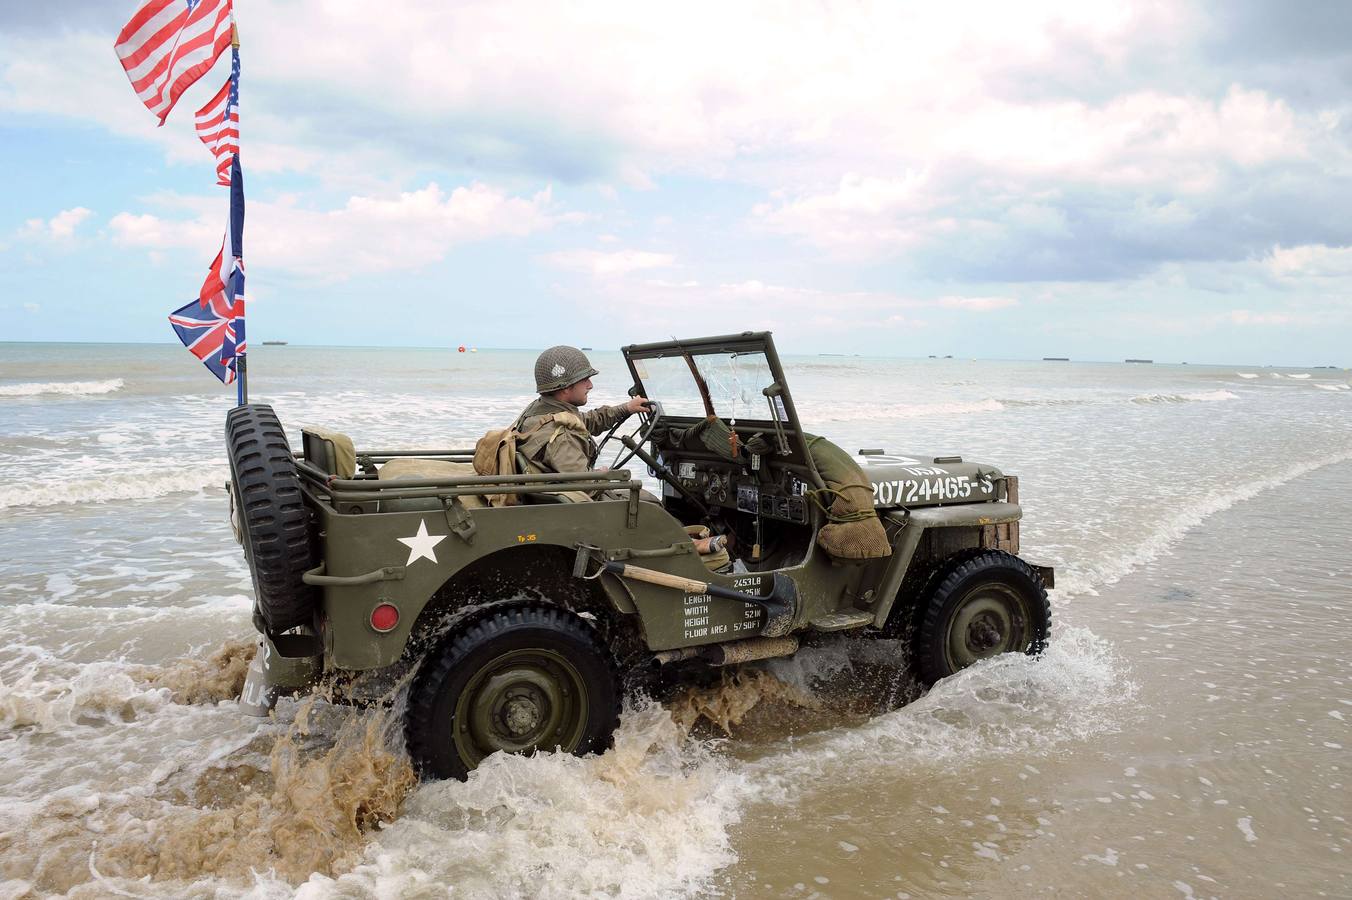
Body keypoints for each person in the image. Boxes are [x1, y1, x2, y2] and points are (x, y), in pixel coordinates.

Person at [515, 345, 650, 476]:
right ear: (566, 387)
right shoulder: (561, 435)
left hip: (553, 494)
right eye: (585, 380)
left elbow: (587, 421)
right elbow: (584, 485)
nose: (590, 385)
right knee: (646, 498)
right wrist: (600, 476)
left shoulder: (541, 411)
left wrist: (626, 408)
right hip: (571, 496)